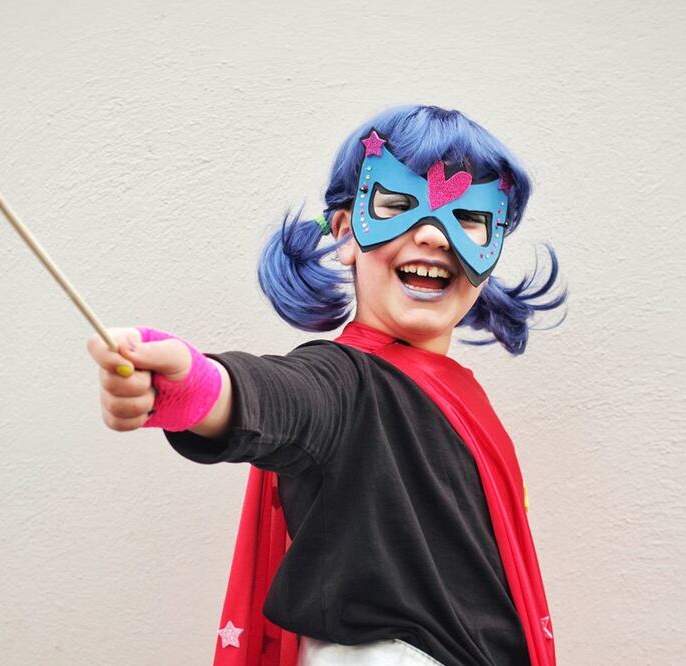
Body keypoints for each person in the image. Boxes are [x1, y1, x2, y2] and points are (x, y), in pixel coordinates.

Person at [87, 104, 565, 666]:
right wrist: (191, 387)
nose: (436, 236)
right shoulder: (345, 382)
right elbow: (285, 396)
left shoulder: (464, 398)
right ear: (345, 235)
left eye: (469, 219)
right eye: (396, 204)